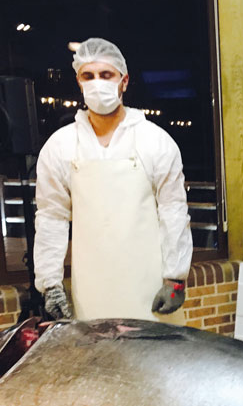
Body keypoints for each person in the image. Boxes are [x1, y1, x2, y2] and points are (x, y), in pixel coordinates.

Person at [34, 38, 192, 321]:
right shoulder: (60, 146)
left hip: (149, 288)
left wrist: (176, 278)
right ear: (78, 82)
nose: (97, 83)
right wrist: (50, 283)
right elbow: (51, 217)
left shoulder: (154, 141)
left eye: (106, 75)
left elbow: (174, 211)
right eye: (88, 76)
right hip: (91, 290)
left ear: (124, 81)